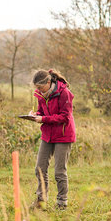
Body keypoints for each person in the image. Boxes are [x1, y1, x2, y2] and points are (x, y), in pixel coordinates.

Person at [28, 69, 75, 210]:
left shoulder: (64, 93)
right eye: (37, 88)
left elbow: (65, 117)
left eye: (41, 87)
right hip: (47, 135)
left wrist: (43, 119)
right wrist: (35, 115)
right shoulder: (40, 94)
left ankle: (62, 203)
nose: (39, 90)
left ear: (48, 82)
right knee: (40, 168)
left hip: (63, 134)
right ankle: (41, 200)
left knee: (59, 171)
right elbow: (42, 112)